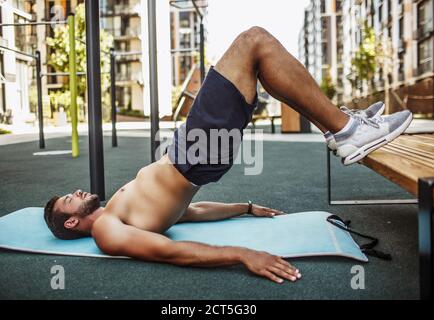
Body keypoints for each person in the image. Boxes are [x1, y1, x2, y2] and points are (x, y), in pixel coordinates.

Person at [44, 27, 412, 284]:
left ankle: (341, 127)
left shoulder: (121, 214)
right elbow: (170, 252)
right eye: (69, 200)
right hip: (193, 154)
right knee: (254, 41)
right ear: (72, 223)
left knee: (258, 59)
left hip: (191, 153)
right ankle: (346, 130)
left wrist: (245, 207)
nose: (76, 192)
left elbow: (187, 214)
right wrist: (241, 254)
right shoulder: (108, 231)